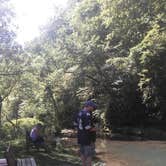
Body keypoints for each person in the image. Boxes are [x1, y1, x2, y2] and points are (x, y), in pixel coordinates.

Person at [74, 100, 97, 166]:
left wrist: (80, 131)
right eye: (92, 107)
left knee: (82, 153)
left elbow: (75, 125)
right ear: (89, 106)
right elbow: (87, 127)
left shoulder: (79, 113)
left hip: (80, 137)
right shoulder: (87, 114)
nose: (93, 108)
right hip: (87, 138)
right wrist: (96, 129)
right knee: (89, 155)